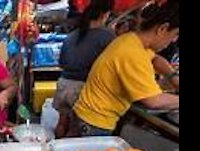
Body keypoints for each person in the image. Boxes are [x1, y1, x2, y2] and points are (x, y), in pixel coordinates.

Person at [71, 1, 179, 137]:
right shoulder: (132, 53)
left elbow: (155, 59)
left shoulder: (133, 41)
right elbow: (153, 100)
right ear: (162, 29)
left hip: (87, 115)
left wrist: (173, 76)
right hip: (94, 122)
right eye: (175, 34)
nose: (174, 40)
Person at [53, 0, 116, 138]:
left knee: (62, 123)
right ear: (105, 15)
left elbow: (62, 62)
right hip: (83, 87)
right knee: (74, 129)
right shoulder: (108, 36)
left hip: (64, 84)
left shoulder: (72, 36)